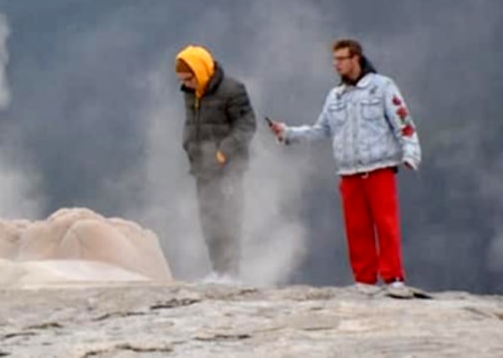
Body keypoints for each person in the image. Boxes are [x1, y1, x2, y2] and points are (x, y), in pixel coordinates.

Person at [269, 39, 421, 297]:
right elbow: (322, 130)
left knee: (385, 224)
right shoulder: (335, 96)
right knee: (356, 227)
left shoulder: (382, 87)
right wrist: (288, 133)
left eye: (341, 59)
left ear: (356, 59)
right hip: (349, 171)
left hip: (379, 167)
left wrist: (410, 152)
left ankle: (393, 278)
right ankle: (364, 279)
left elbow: (403, 122)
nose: (336, 64)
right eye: (334, 59)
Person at [175, 44, 256, 280]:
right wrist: (188, 145)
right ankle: (217, 271)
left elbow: (246, 125)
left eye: (188, 78)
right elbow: (191, 125)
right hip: (202, 168)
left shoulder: (232, 90)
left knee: (229, 218)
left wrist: (224, 151)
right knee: (209, 220)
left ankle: (231, 273)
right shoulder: (191, 93)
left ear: (199, 72)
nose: (185, 84)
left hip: (229, 168)